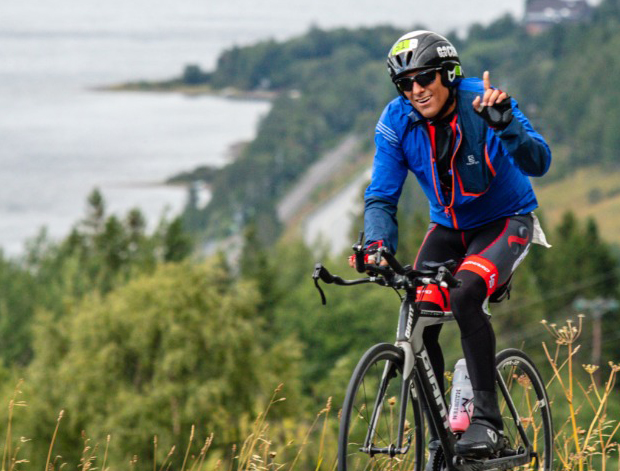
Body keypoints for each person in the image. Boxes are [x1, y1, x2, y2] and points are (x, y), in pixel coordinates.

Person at [355, 30, 552, 462]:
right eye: (405, 83)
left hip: (506, 221)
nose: (416, 90)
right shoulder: (395, 122)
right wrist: (374, 245)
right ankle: (441, 434)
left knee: (464, 293)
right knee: (416, 304)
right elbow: (381, 196)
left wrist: (506, 124)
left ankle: (487, 422)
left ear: (448, 73)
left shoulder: (483, 100)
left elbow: (539, 161)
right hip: (448, 228)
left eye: (424, 77)